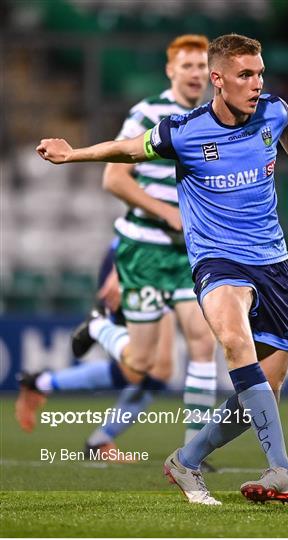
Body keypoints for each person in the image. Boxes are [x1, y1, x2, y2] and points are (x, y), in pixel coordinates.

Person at [36, 33, 288, 506]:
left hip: (273, 262)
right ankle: (281, 468)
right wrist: (72, 154)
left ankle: (186, 460)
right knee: (232, 340)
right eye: (245, 75)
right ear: (218, 80)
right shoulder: (184, 130)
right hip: (216, 260)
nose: (256, 83)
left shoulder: (273, 111)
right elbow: (128, 150)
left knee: (262, 390)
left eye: (259, 73)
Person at [17, 34, 218, 465]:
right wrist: (166, 213)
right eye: (188, 66)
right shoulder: (148, 113)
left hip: (187, 253)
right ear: (171, 71)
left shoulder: (213, 117)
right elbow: (114, 179)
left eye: (203, 66)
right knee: (145, 364)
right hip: (143, 249)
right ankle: (94, 337)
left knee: (200, 345)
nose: (196, 74)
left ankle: (194, 451)